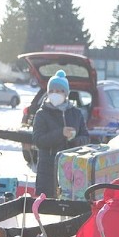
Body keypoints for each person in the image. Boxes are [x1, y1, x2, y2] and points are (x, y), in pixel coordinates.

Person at [32, 70, 89, 198]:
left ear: (66, 93)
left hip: (72, 169)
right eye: (52, 91)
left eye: (59, 91)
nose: (55, 94)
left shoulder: (76, 113)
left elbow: (86, 137)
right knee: (48, 206)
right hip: (48, 170)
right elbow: (38, 140)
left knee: (69, 204)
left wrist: (75, 139)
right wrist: (60, 133)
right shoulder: (42, 114)